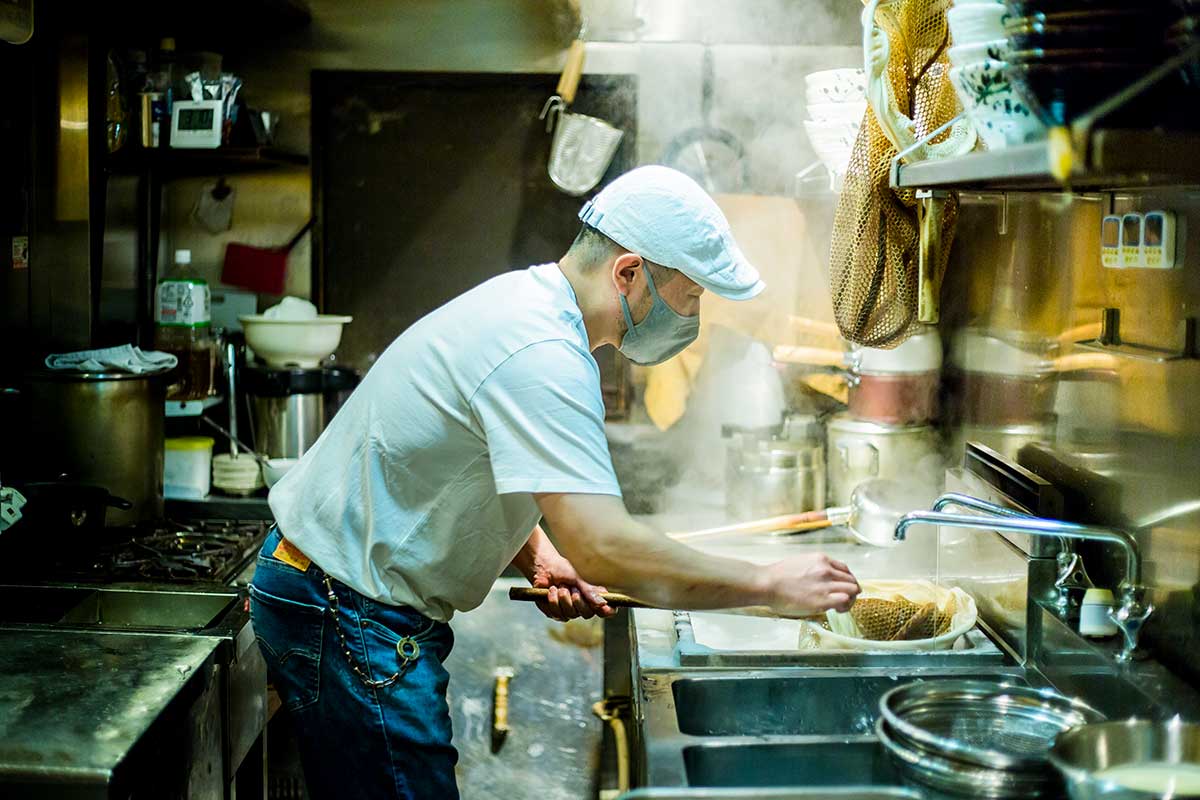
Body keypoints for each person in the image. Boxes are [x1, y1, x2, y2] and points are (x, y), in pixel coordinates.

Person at [249, 165, 861, 799]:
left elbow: (480, 461)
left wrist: (540, 555)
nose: (694, 318)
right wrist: (768, 583)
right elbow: (603, 547)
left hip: (331, 591)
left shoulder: (529, 306)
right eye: (690, 297)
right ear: (628, 273)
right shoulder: (542, 351)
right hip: (347, 609)